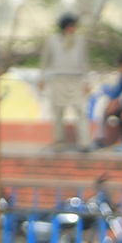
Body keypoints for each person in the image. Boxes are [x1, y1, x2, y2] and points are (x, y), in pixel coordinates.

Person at [40, 13, 90, 151]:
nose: (72, 29)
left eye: (74, 26)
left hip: (75, 79)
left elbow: (85, 61)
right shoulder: (52, 40)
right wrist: (42, 78)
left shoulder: (80, 40)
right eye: (70, 26)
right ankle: (59, 142)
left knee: (80, 111)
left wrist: (87, 81)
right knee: (58, 112)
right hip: (58, 79)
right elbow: (45, 60)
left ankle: (84, 143)